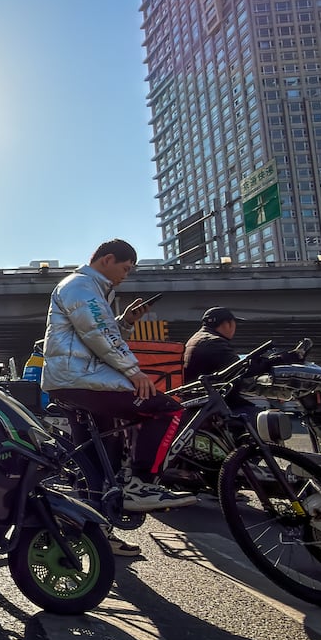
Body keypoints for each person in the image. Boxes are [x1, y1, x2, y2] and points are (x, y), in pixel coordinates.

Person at [41, 239, 196, 558]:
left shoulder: (88, 288)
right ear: (107, 259)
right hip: (81, 378)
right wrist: (135, 372)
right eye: (125, 268)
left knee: (99, 463)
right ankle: (140, 484)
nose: (126, 275)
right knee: (166, 410)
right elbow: (99, 334)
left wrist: (125, 322)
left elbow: (99, 333)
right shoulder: (81, 285)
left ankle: (97, 534)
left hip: (73, 380)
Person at [183, 307, 241, 383]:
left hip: (194, 391)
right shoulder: (215, 343)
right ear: (227, 324)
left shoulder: (195, 338)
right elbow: (239, 370)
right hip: (206, 392)